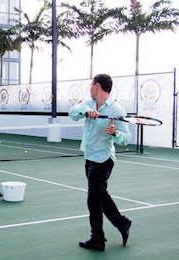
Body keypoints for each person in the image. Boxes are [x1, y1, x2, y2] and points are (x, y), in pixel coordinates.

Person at [69, 74, 132, 251]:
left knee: (93, 200)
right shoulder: (88, 104)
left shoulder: (116, 110)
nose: (90, 88)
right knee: (100, 196)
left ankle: (98, 239)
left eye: (91, 85)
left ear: (97, 86)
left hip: (103, 160)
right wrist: (85, 112)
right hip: (89, 157)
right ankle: (122, 222)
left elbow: (126, 139)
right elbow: (72, 112)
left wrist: (115, 133)